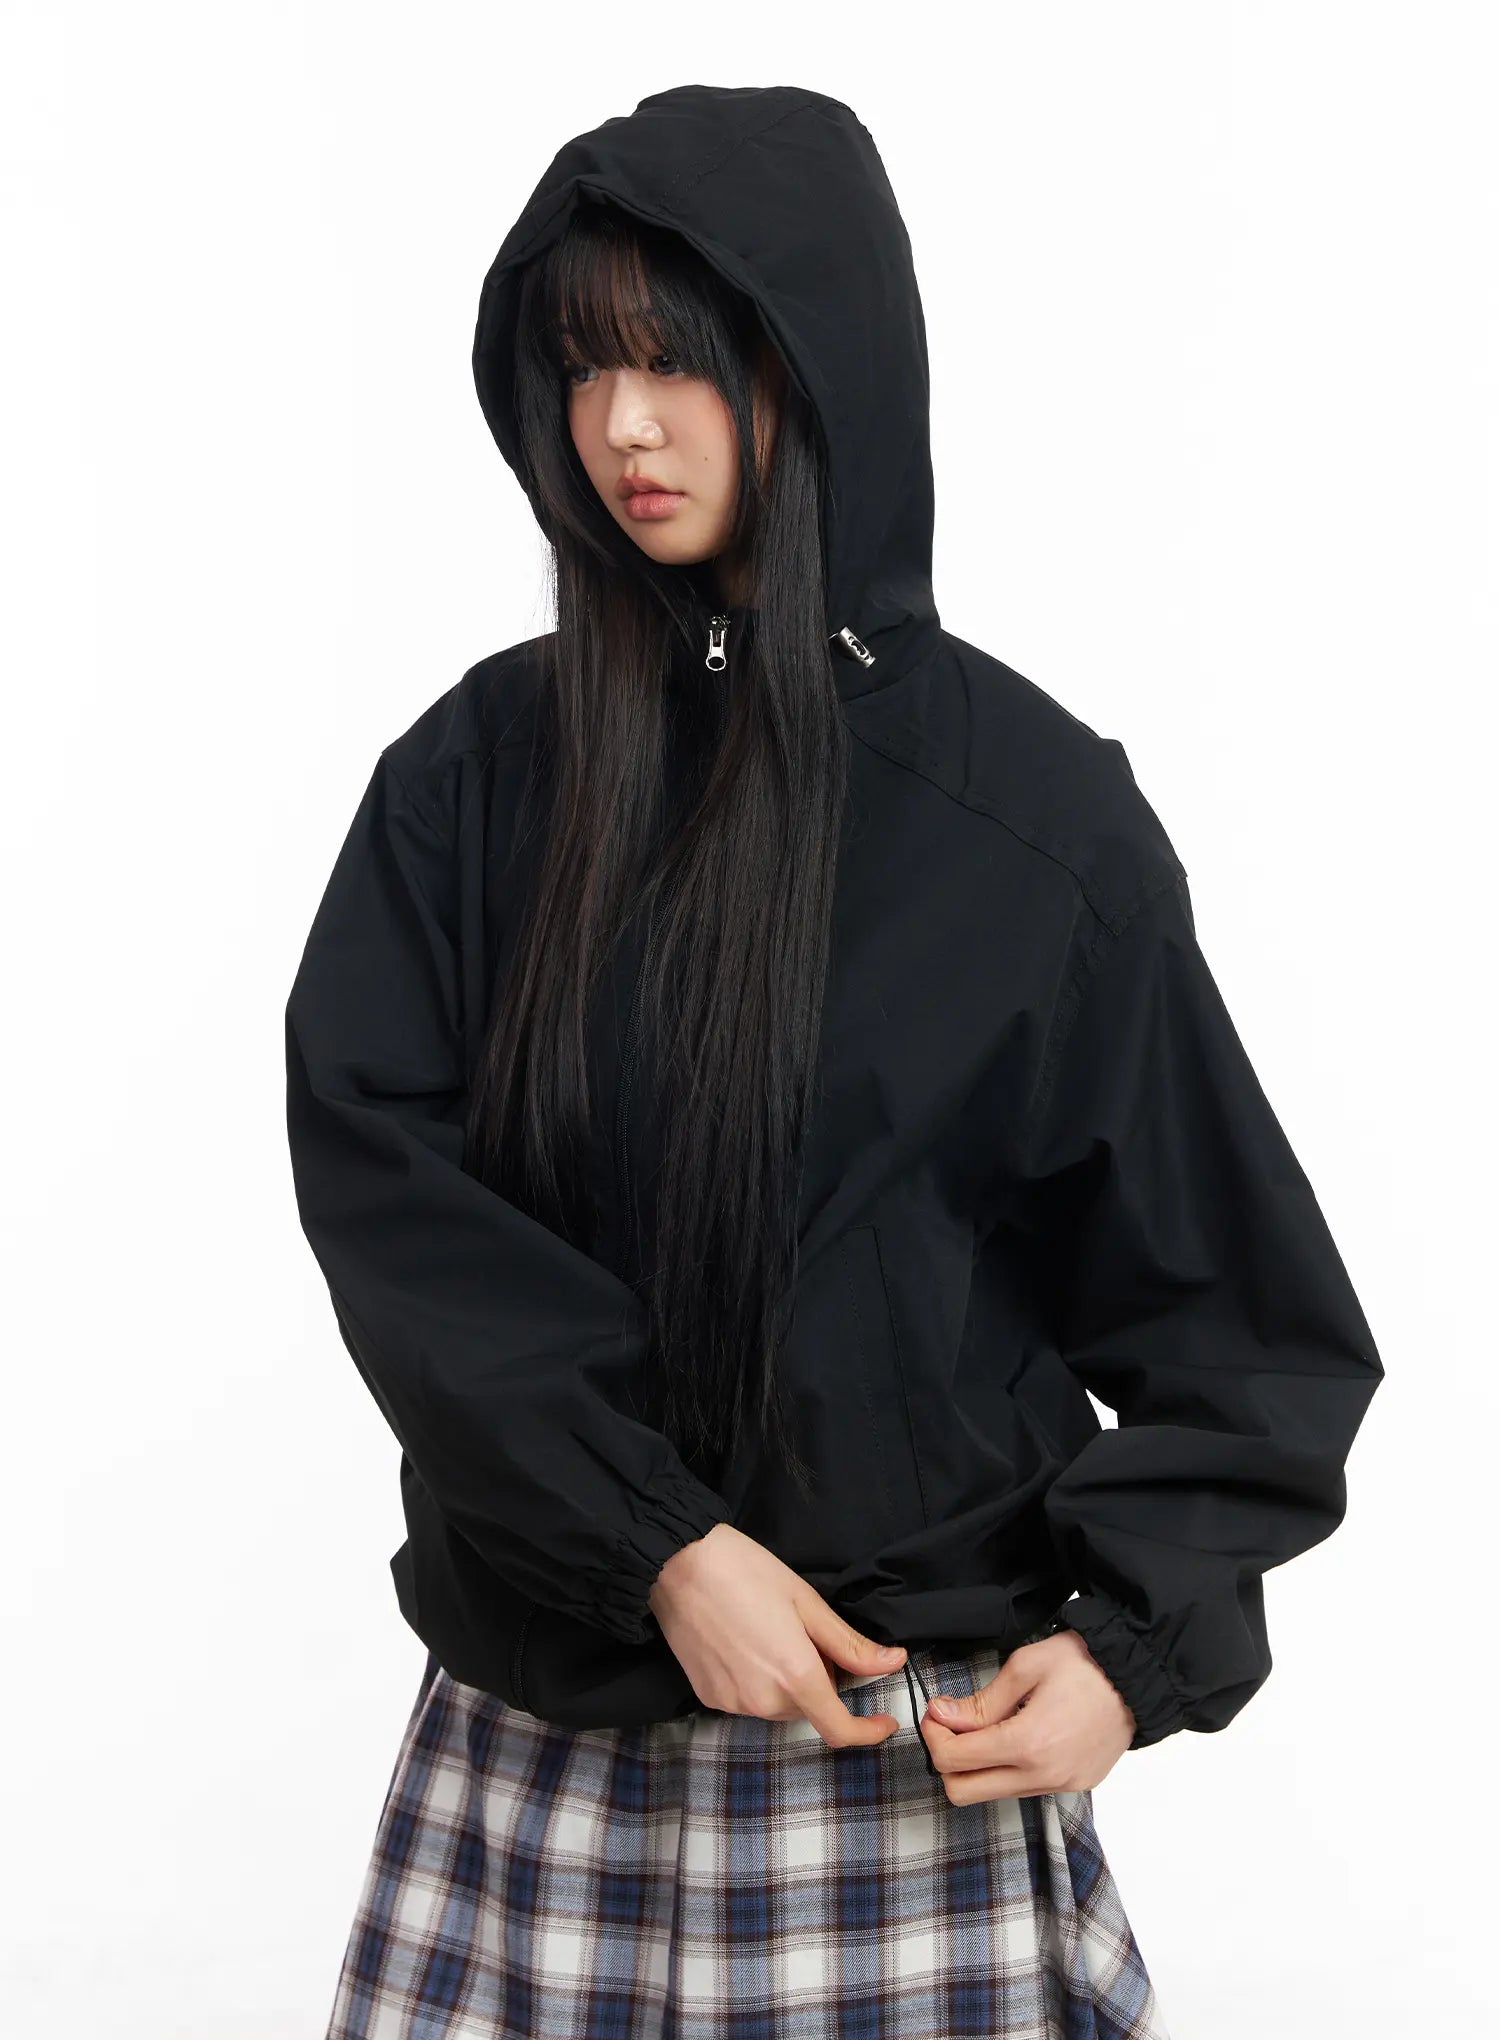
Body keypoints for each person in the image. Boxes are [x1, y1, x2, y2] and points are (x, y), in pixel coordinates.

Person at [284, 82, 1384, 2040]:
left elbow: (1249, 1330)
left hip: (903, 1769)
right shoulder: (477, 786)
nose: (622, 426)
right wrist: (658, 1547)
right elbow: (397, 1213)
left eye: (678, 362)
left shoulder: (1029, 824)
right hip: (548, 1753)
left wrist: (1132, 1651)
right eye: (582, 362)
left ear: (822, 368)